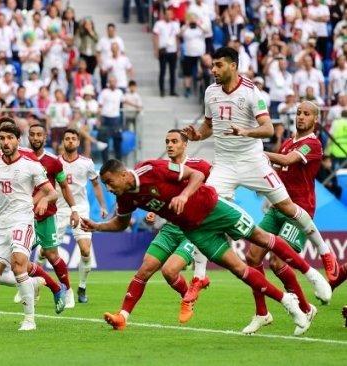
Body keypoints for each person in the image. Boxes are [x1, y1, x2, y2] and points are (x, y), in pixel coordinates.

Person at [81, 158, 330, 335]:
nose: (110, 189)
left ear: (123, 175)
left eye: (110, 183)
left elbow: (197, 175)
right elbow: (120, 223)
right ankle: (288, 302)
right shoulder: (126, 197)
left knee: (262, 238)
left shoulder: (153, 169)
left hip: (214, 209)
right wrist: (97, 226)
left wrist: (184, 195)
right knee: (239, 269)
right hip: (195, 230)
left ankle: (312, 275)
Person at [183, 47, 340, 282]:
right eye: (212, 65)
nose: (213, 69)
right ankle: (199, 279)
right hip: (225, 165)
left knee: (280, 247)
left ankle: (325, 254)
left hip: (256, 164)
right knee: (211, 214)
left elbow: (268, 130)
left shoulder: (251, 93)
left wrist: (246, 133)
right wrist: (197, 135)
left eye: (218, 65)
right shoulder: (210, 92)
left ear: (233, 66)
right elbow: (208, 125)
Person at [0, 123, 59, 331]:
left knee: (18, 264)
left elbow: (52, 192)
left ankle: (29, 320)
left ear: (18, 140)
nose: (6, 142)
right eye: (2, 138)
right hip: (1, 224)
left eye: (10, 138)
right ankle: (31, 283)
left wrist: (44, 200)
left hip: (23, 221)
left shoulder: (30, 163)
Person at [241, 101, 323, 334]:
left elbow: (286, 161)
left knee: (277, 262)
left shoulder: (312, 145)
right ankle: (261, 313)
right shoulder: (288, 142)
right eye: (298, 113)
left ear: (314, 119)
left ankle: (306, 308)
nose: (300, 117)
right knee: (253, 256)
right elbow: (279, 170)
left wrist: (257, 152)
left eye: (306, 114)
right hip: (278, 207)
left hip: (298, 210)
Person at [21, 123, 81, 308]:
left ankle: (68, 290)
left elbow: (63, 187)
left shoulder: (54, 162)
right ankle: (32, 285)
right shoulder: (21, 159)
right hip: (24, 216)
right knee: (19, 256)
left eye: (40, 135)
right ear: (28, 137)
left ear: (45, 138)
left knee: (51, 255)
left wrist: (74, 209)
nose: (36, 138)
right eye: (33, 135)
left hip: (47, 216)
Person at [54, 128, 108, 304]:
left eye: (73, 139)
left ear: (78, 143)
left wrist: (102, 206)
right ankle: (38, 285)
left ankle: (82, 287)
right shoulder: (54, 162)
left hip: (82, 210)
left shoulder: (87, 163)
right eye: (67, 138)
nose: (70, 141)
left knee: (85, 250)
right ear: (63, 142)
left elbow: (96, 185)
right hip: (59, 211)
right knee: (46, 252)